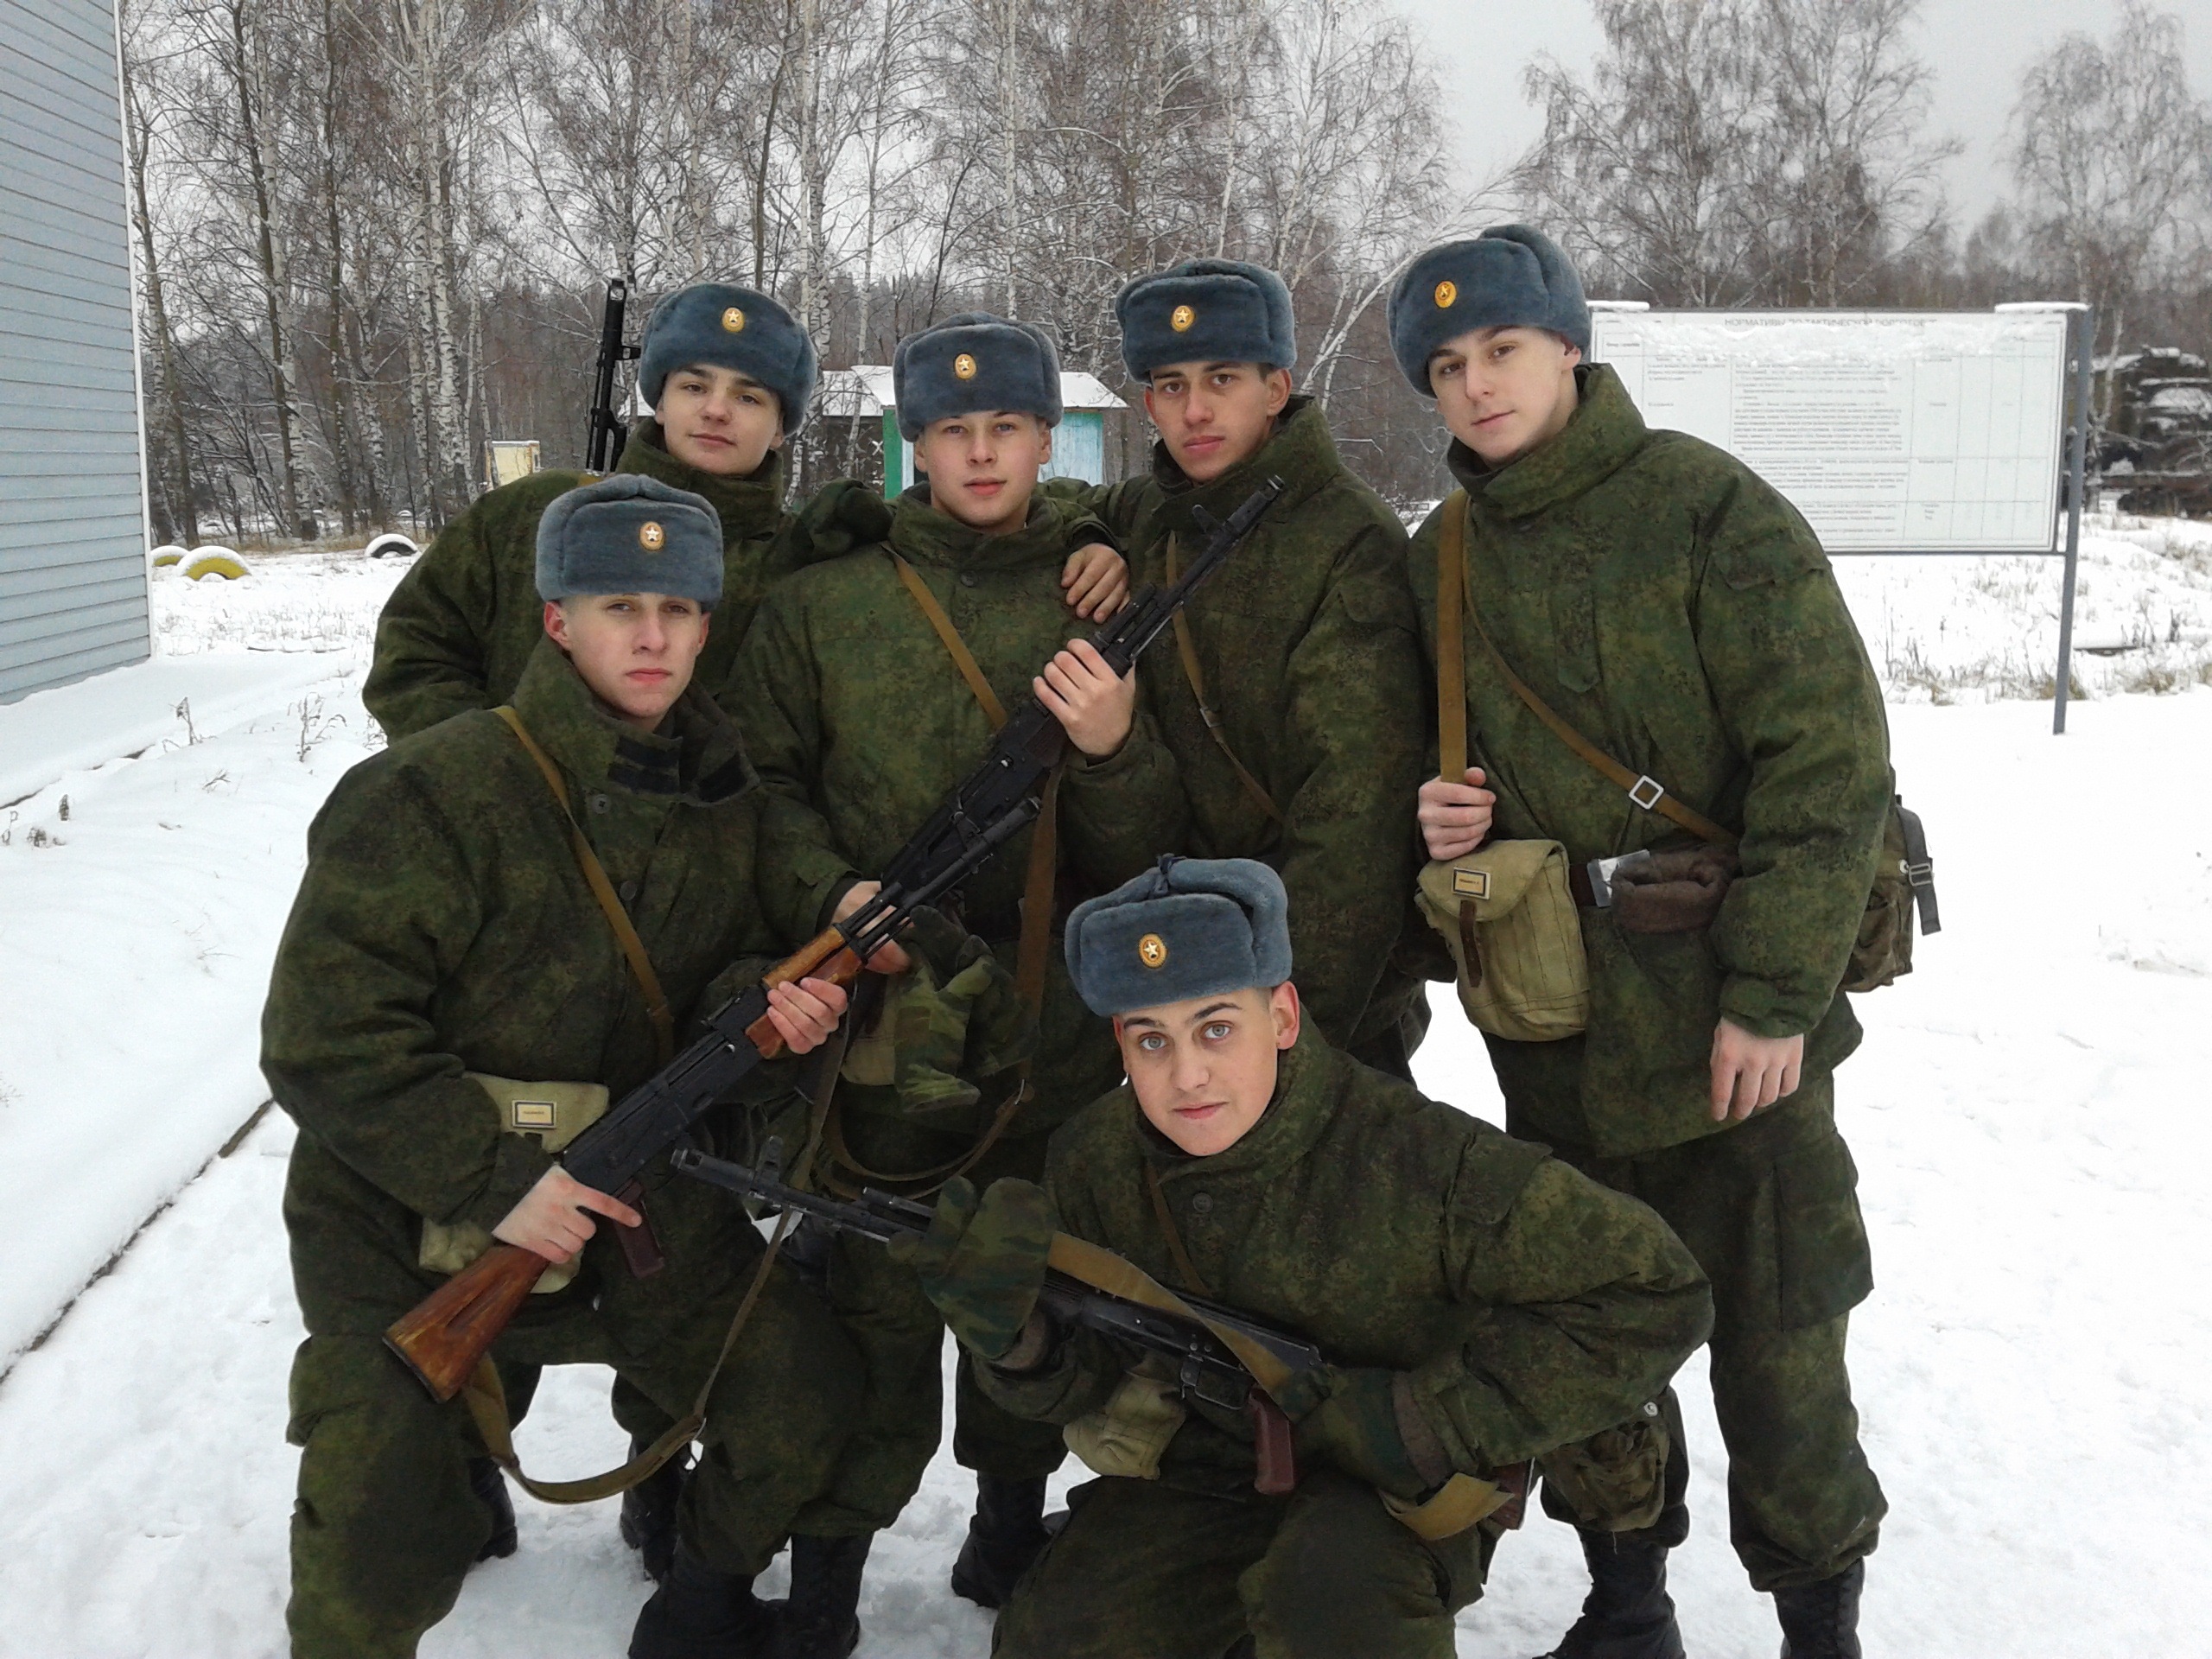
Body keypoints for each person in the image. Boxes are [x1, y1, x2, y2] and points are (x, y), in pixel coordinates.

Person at [263, 475, 887, 1659]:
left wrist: (765, 1021)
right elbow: (323, 1035)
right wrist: (498, 1184)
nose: (652, 637)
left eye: (678, 610)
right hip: (405, 1212)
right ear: (557, 620)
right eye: (618, 607)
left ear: (706, 626)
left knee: (802, 1396)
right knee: (379, 1509)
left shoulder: (727, 803)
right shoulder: (431, 791)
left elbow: (709, 992)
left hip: (630, 1199)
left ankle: (697, 1598)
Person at [1389, 225, 1893, 1659]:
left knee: (1783, 1341)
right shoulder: (1439, 562)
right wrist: (1441, 812)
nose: (1478, 385)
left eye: (1503, 348)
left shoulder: (1705, 509)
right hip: (1558, 1030)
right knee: (1589, 1329)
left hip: (1735, 1028)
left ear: (1569, 346)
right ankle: (1628, 1606)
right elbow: (1418, 763)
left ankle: (1820, 1626)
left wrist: (1775, 997)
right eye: (1447, 365)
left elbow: (1827, 762)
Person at [887, 855, 1713, 1658]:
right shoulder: (1093, 1161)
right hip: (1205, 1470)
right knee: (1055, 1639)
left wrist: (1428, 1420)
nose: (1187, 1075)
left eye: (1216, 1028)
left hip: (1395, 1487)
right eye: (1151, 1040)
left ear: (1282, 1016)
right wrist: (1020, 1343)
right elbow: (1088, 1374)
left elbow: (1656, 1290)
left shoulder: (1422, 1159)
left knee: (1329, 1605)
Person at [731, 311, 1189, 1647]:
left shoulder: (1103, 594)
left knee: (1025, 1286)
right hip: (882, 1010)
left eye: (1007, 428)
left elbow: (1148, 840)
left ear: (1050, 441)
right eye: (950, 431)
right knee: (868, 1306)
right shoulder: (826, 603)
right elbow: (761, 787)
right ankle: (827, 1584)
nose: (980, 454)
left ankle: (1008, 1532)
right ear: (911, 446)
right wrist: (830, 893)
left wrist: (1115, 748)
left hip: (1053, 1023)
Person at [1049, 258, 1429, 1076]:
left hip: (1312, 1003)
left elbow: (1354, 828)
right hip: (1180, 989)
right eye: (1171, 385)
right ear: (1149, 404)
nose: (1196, 410)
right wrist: (1090, 536)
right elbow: (1056, 502)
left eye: (1222, 378)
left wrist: (1286, 1036)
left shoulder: (1348, 542)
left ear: (1276, 388)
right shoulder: (1156, 514)